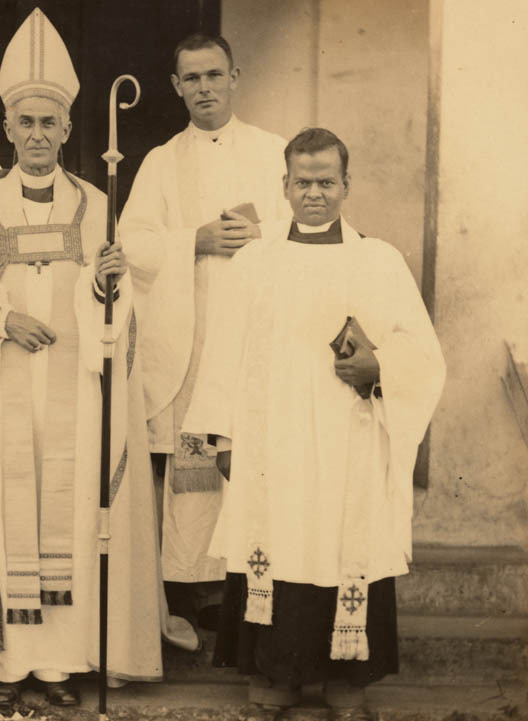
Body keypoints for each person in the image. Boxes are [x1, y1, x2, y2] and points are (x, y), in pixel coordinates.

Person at [0, 8, 163, 711]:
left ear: (65, 130)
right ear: (5, 130)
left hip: (78, 397)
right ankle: (10, 662)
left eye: (48, 124)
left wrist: (108, 284)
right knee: (6, 508)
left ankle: (57, 664)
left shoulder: (93, 205)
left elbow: (115, 312)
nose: (36, 136)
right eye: (24, 124)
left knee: (74, 515)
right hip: (1, 395)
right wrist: (0, 316)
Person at [182, 128, 445, 718]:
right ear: (285, 186)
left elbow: (423, 353)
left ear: (346, 185)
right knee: (277, 546)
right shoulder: (254, 262)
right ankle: (274, 679)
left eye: (327, 182)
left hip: (348, 440)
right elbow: (225, 349)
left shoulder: (378, 261)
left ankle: (345, 685)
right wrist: (224, 438)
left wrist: (380, 366)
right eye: (303, 182)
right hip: (272, 446)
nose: (315, 194)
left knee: (340, 546)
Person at [119, 34, 289, 631]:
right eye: (191, 79)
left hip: (255, 336)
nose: (204, 88)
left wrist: (261, 237)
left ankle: (251, 584)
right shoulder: (162, 161)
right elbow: (133, 240)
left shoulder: (274, 153)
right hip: (192, 335)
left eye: (214, 75)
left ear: (235, 77)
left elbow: (307, 227)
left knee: (254, 455)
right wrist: (192, 239)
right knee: (195, 465)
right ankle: (193, 587)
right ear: (175, 86)